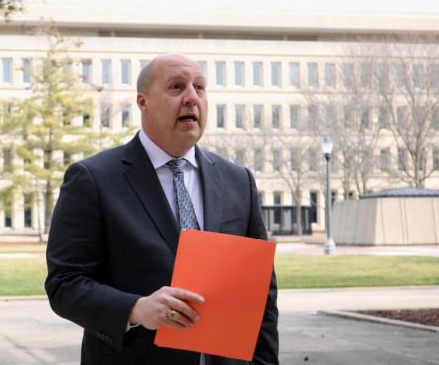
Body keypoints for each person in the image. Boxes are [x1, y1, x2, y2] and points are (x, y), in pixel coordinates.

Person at [45, 53, 279, 365]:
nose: (192, 98)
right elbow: (65, 284)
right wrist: (136, 309)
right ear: (142, 102)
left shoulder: (238, 181)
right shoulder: (93, 179)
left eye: (199, 87)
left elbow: (260, 293)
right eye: (176, 87)